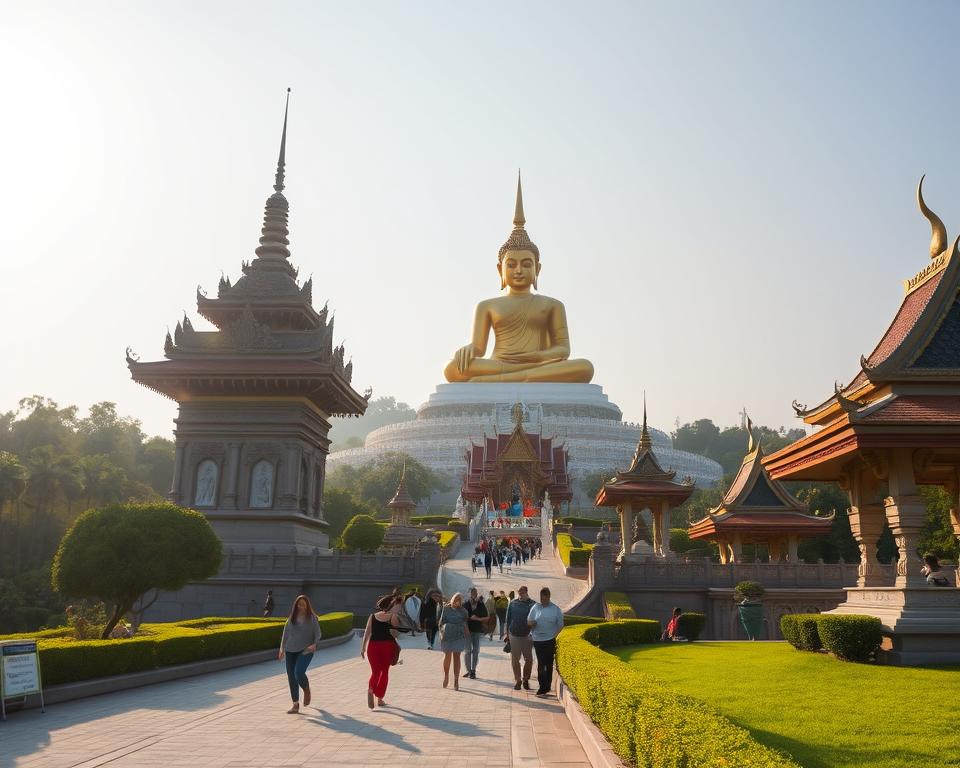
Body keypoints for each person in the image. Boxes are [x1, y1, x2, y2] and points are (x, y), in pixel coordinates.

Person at [277, 594, 322, 714]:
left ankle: (306, 690)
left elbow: (318, 634)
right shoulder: (291, 618)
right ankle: (295, 704)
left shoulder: (312, 618)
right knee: (291, 677)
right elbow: (285, 634)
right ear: (296, 605)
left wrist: (314, 644)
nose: (301, 606)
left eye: (303, 604)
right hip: (290, 650)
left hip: (306, 650)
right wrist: (282, 649)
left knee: (299, 672)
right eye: (299, 604)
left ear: (307, 605)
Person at [361, 594, 402, 709]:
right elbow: (397, 633)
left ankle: (371, 690)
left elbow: (367, 632)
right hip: (387, 646)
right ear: (391, 605)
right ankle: (379, 697)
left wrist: (363, 647)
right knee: (384, 672)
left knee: (375, 672)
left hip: (372, 647)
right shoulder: (393, 617)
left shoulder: (372, 616)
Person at [527, 586, 563, 698]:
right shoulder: (536, 607)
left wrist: (555, 636)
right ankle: (542, 686)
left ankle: (547, 685)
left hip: (550, 639)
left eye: (546, 599)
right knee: (541, 663)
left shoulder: (555, 609)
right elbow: (528, 621)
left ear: (549, 597)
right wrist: (532, 623)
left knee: (548, 663)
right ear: (540, 597)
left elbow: (560, 625)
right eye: (542, 598)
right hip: (538, 639)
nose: (544, 601)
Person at [506, 585, 535, 690]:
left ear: (526, 592)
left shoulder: (533, 604)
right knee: (515, 660)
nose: (520, 594)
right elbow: (508, 619)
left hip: (527, 636)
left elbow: (535, 620)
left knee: (529, 659)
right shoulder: (513, 603)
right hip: (514, 635)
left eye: (522, 592)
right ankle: (518, 680)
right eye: (519, 592)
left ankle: (526, 679)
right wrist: (507, 634)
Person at [439, 592, 470, 690]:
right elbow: (441, 622)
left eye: (459, 600)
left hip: (459, 636)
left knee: (457, 657)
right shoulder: (446, 609)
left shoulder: (464, 611)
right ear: (452, 599)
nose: (457, 602)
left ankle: (456, 680)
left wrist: (467, 633)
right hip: (447, 636)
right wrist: (443, 631)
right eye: (456, 599)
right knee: (447, 656)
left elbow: (465, 623)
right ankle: (446, 676)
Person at [463, 587, 488, 678]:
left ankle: (473, 670)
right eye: (472, 593)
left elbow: (487, 617)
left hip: (477, 631)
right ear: (469, 594)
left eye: (475, 593)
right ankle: (468, 670)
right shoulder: (465, 604)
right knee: (467, 651)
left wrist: (477, 619)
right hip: (467, 631)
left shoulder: (481, 604)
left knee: (476, 651)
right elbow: (462, 617)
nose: (474, 594)